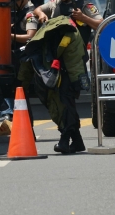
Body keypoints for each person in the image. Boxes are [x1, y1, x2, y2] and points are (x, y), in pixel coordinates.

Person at [18, 15, 88, 154]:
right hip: (58, 75)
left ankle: (65, 139)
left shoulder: (68, 35)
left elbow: (74, 61)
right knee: (66, 106)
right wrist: (21, 85)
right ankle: (77, 142)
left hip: (65, 76)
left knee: (65, 106)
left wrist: (75, 81)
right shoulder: (47, 38)